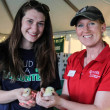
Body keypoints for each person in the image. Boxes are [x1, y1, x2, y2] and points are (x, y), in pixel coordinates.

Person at [36, 6, 110, 110]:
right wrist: (51, 99)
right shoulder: (74, 58)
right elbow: (66, 96)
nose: (85, 30)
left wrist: (59, 101)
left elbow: (101, 108)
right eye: (80, 25)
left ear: (102, 27)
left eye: (91, 23)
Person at [0, 0, 61, 110]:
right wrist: (15, 94)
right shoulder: (2, 51)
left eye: (40, 24)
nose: (35, 29)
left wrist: (43, 96)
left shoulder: (50, 55)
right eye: (30, 21)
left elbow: (52, 91)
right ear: (20, 22)